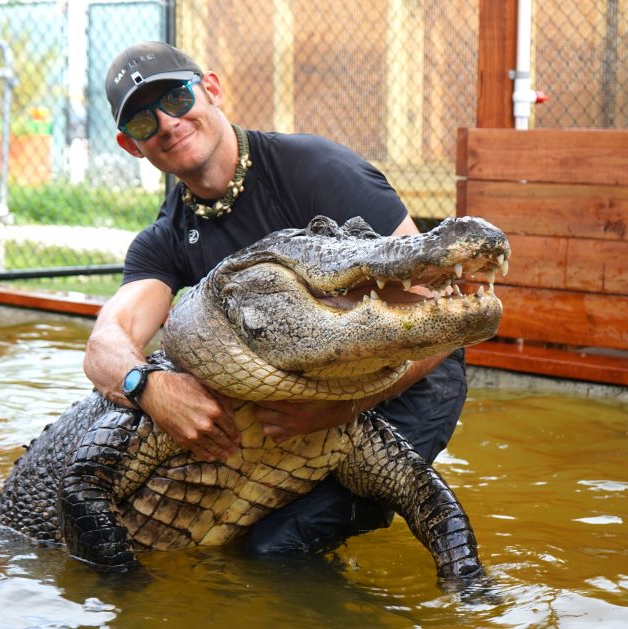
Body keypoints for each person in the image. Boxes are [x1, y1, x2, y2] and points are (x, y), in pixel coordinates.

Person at [84, 41, 467, 555]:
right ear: (131, 146)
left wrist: (347, 405)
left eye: (175, 99)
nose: (167, 124)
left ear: (211, 89)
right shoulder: (167, 237)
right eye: (142, 123)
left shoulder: (314, 169)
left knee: (277, 548)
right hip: (287, 405)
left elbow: (434, 301)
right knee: (241, 551)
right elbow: (105, 344)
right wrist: (148, 387)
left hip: (404, 381)